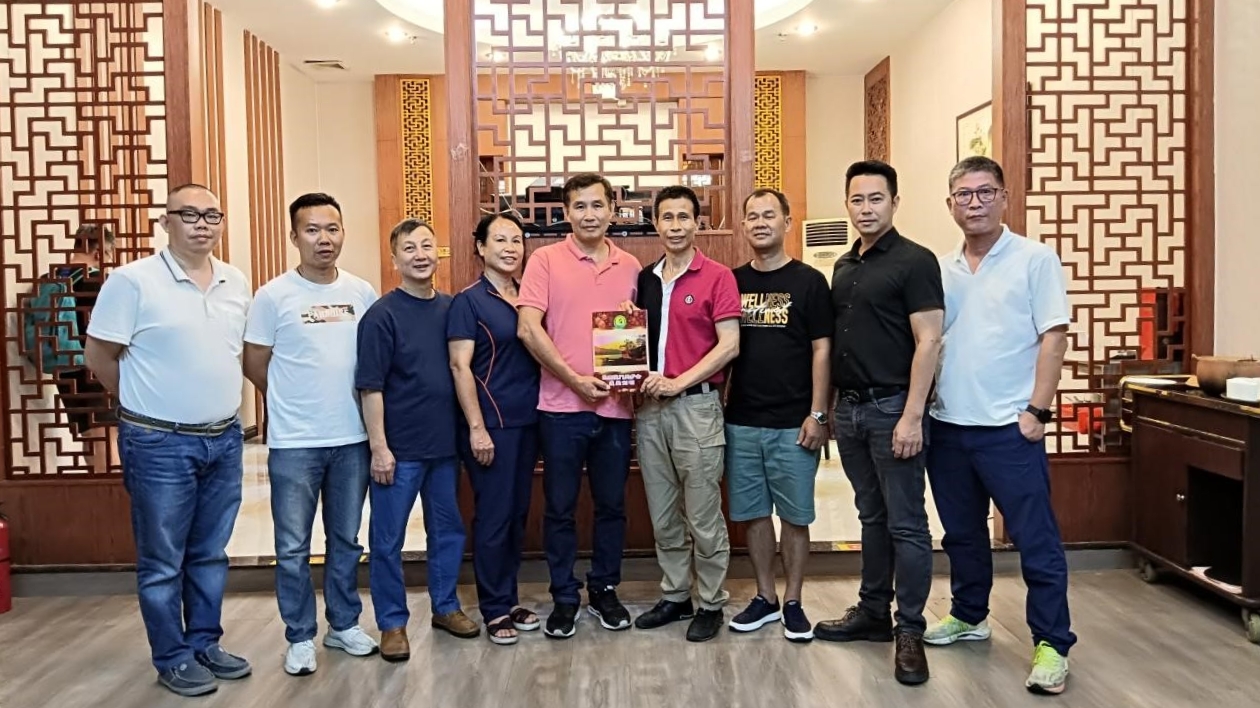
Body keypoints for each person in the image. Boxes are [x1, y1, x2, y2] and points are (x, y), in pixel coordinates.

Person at [84, 184, 252, 697]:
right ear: (166, 222)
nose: (202, 224)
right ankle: (172, 656)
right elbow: (99, 358)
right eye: (189, 214)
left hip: (223, 438)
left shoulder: (234, 280)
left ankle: (204, 642)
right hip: (158, 443)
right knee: (162, 561)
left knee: (210, 553)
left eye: (212, 215)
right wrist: (146, 405)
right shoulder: (132, 281)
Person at [924, 156, 1076, 695]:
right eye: (964, 195)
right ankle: (970, 614)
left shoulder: (1034, 259)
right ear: (950, 205)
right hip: (948, 426)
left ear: (1004, 197)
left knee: (1036, 539)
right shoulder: (940, 268)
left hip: (1010, 429)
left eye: (985, 192)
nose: (975, 203)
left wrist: (1037, 411)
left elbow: (1054, 338)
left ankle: (1052, 643)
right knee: (962, 534)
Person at [812, 161, 943, 686]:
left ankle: (910, 629)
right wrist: (832, 408)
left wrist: (912, 415)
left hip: (894, 409)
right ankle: (872, 612)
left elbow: (929, 341)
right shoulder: (844, 265)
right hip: (851, 410)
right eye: (857, 199)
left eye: (875, 199)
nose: (865, 209)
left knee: (907, 523)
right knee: (870, 516)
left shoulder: (915, 261)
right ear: (847, 203)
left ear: (894, 202)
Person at [242, 193, 380, 676]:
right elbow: (255, 363)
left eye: (332, 228)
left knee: (346, 539)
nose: (324, 239)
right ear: (294, 236)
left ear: (343, 233)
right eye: (312, 230)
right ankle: (299, 635)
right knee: (292, 547)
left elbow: (373, 362)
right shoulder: (272, 296)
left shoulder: (362, 292)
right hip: (295, 444)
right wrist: (290, 399)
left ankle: (343, 624)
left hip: (351, 439)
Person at [517, 173, 642, 639]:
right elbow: (528, 328)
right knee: (560, 508)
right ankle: (564, 597)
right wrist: (574, 380)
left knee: (612, 505)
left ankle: (605, 589)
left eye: (597, 205)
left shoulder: (631, 266)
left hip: (615, 409)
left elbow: (635, 333)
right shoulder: (545, 260)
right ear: (566, 212)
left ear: (613, 210)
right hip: (560, 408)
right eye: (580, 206)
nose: (589, 215)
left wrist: (627, 373)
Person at [356, 218, 479, 662]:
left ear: (438, 253)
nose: (420, 255)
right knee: (387, 540)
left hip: (445, 447)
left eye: (427, 245)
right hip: (399, 450)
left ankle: (445, 607)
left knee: (447, 531)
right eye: (409, 248)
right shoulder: (381, 315)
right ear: (395, 260)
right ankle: (392, 623)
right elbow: (370, 387)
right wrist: (379, 448)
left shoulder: (452, 308)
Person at [629, 185, 740, 643]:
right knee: (663, 514)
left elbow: (729, 345)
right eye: (667, 217)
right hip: (650, 412)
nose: (675, 226)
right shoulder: (645, 279)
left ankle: (711, 601)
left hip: (696, 408)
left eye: (683, 217)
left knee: (703, 515)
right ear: (655, 223)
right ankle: (676, 595)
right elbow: (633, 342)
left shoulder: (717, 276)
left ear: (697, 223)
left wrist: (678, 381)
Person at [724, 188, 832, 643]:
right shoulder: (730, 282)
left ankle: (793, 601)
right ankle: (765, 597)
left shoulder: (810, 282)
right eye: (752, 216)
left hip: (794, 423)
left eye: (769, 215)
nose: (760, 223)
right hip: (742, 420)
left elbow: (823, 350)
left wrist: (818, 414)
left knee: (795, 516)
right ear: (743, 225)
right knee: (752, 515)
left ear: (787, 222)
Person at [448, 212, 542, 646]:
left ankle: (510, 597)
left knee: (517, 514)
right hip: (492, 424)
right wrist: (476, 427)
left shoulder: (529, 296)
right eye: (500, 240)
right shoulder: (468, 301)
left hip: (530, 420)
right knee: (493, 516)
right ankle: (494, 607)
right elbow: (459, 366)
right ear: (481, 248)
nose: (510, 248)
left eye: (517, 240)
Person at [21, 224, 118, 472]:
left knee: (90, 438)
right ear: (99, 253)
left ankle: (94, 492)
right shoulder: (101, 283)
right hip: (95, 370)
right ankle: (109, 494)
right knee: (107, 440)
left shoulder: (49, 279)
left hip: (65, 371)